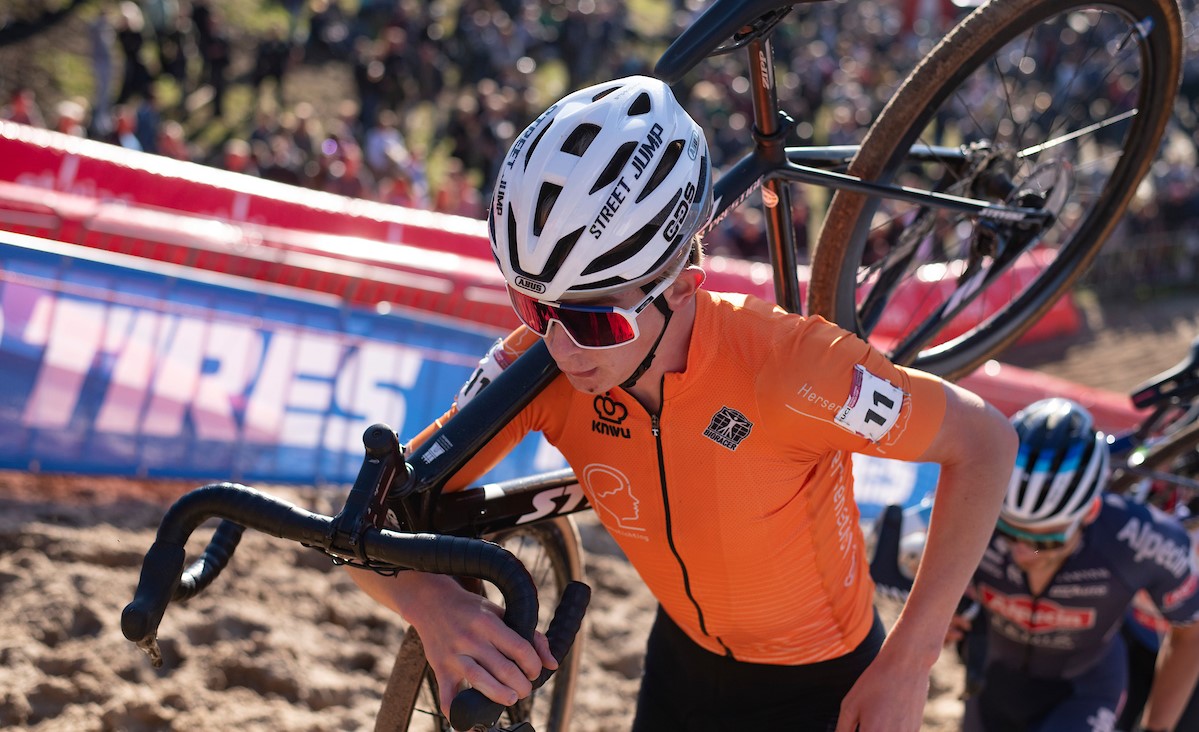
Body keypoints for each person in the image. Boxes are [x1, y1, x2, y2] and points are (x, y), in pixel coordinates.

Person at [348, 75, 1018, 731]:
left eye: (593, 321)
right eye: (532, 305)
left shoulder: (795, 366)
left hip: (825, 684)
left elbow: (985, 444)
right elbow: (364, 517)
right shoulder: (539, 362)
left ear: (683, 286)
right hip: (679, 661)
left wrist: (910, 659)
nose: (559, 344)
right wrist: (427, 601)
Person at [944, 398, 1199, 732]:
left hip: (1085, 693)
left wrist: (1157, 727)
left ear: (1089, 513)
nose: (1023, 551)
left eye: (1044, 539)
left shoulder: (1142, 540)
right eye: (1007, 531)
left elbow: (1191, 631)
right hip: (993, 684)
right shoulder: (970, 512)